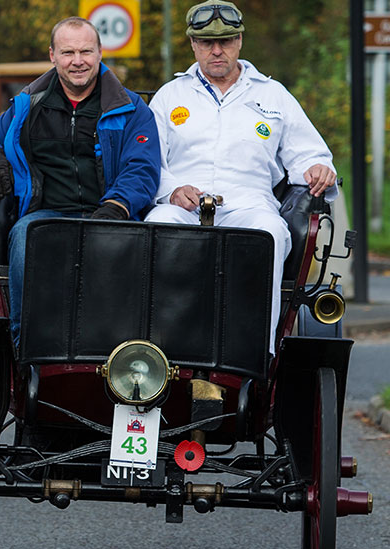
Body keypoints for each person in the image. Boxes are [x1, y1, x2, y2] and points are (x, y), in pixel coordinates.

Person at [144, 0, 337, 353]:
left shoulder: (273, 95)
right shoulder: (169, 97)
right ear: (192, 44)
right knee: (158, 225)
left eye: (226, 41)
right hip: (183, 205)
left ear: (240, 41)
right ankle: (158, 350)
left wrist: (319, 167)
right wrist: (171, 191)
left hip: (249, 203)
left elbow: (311, 154)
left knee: (270, 233)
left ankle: (256, 352)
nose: (217, 51)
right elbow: (148, 163)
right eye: (206, 43)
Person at [0, 16, 160, 345]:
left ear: (100, 54)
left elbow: (142, 168)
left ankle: (127, 352)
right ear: (52, 55)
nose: (78, 61)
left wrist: (117, 206)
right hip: (45, 216)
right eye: (68, 52)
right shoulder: (27, 105)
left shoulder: (131, 109)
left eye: (86, 51)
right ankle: (25, 348)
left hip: (110, 214)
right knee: (25, 236)